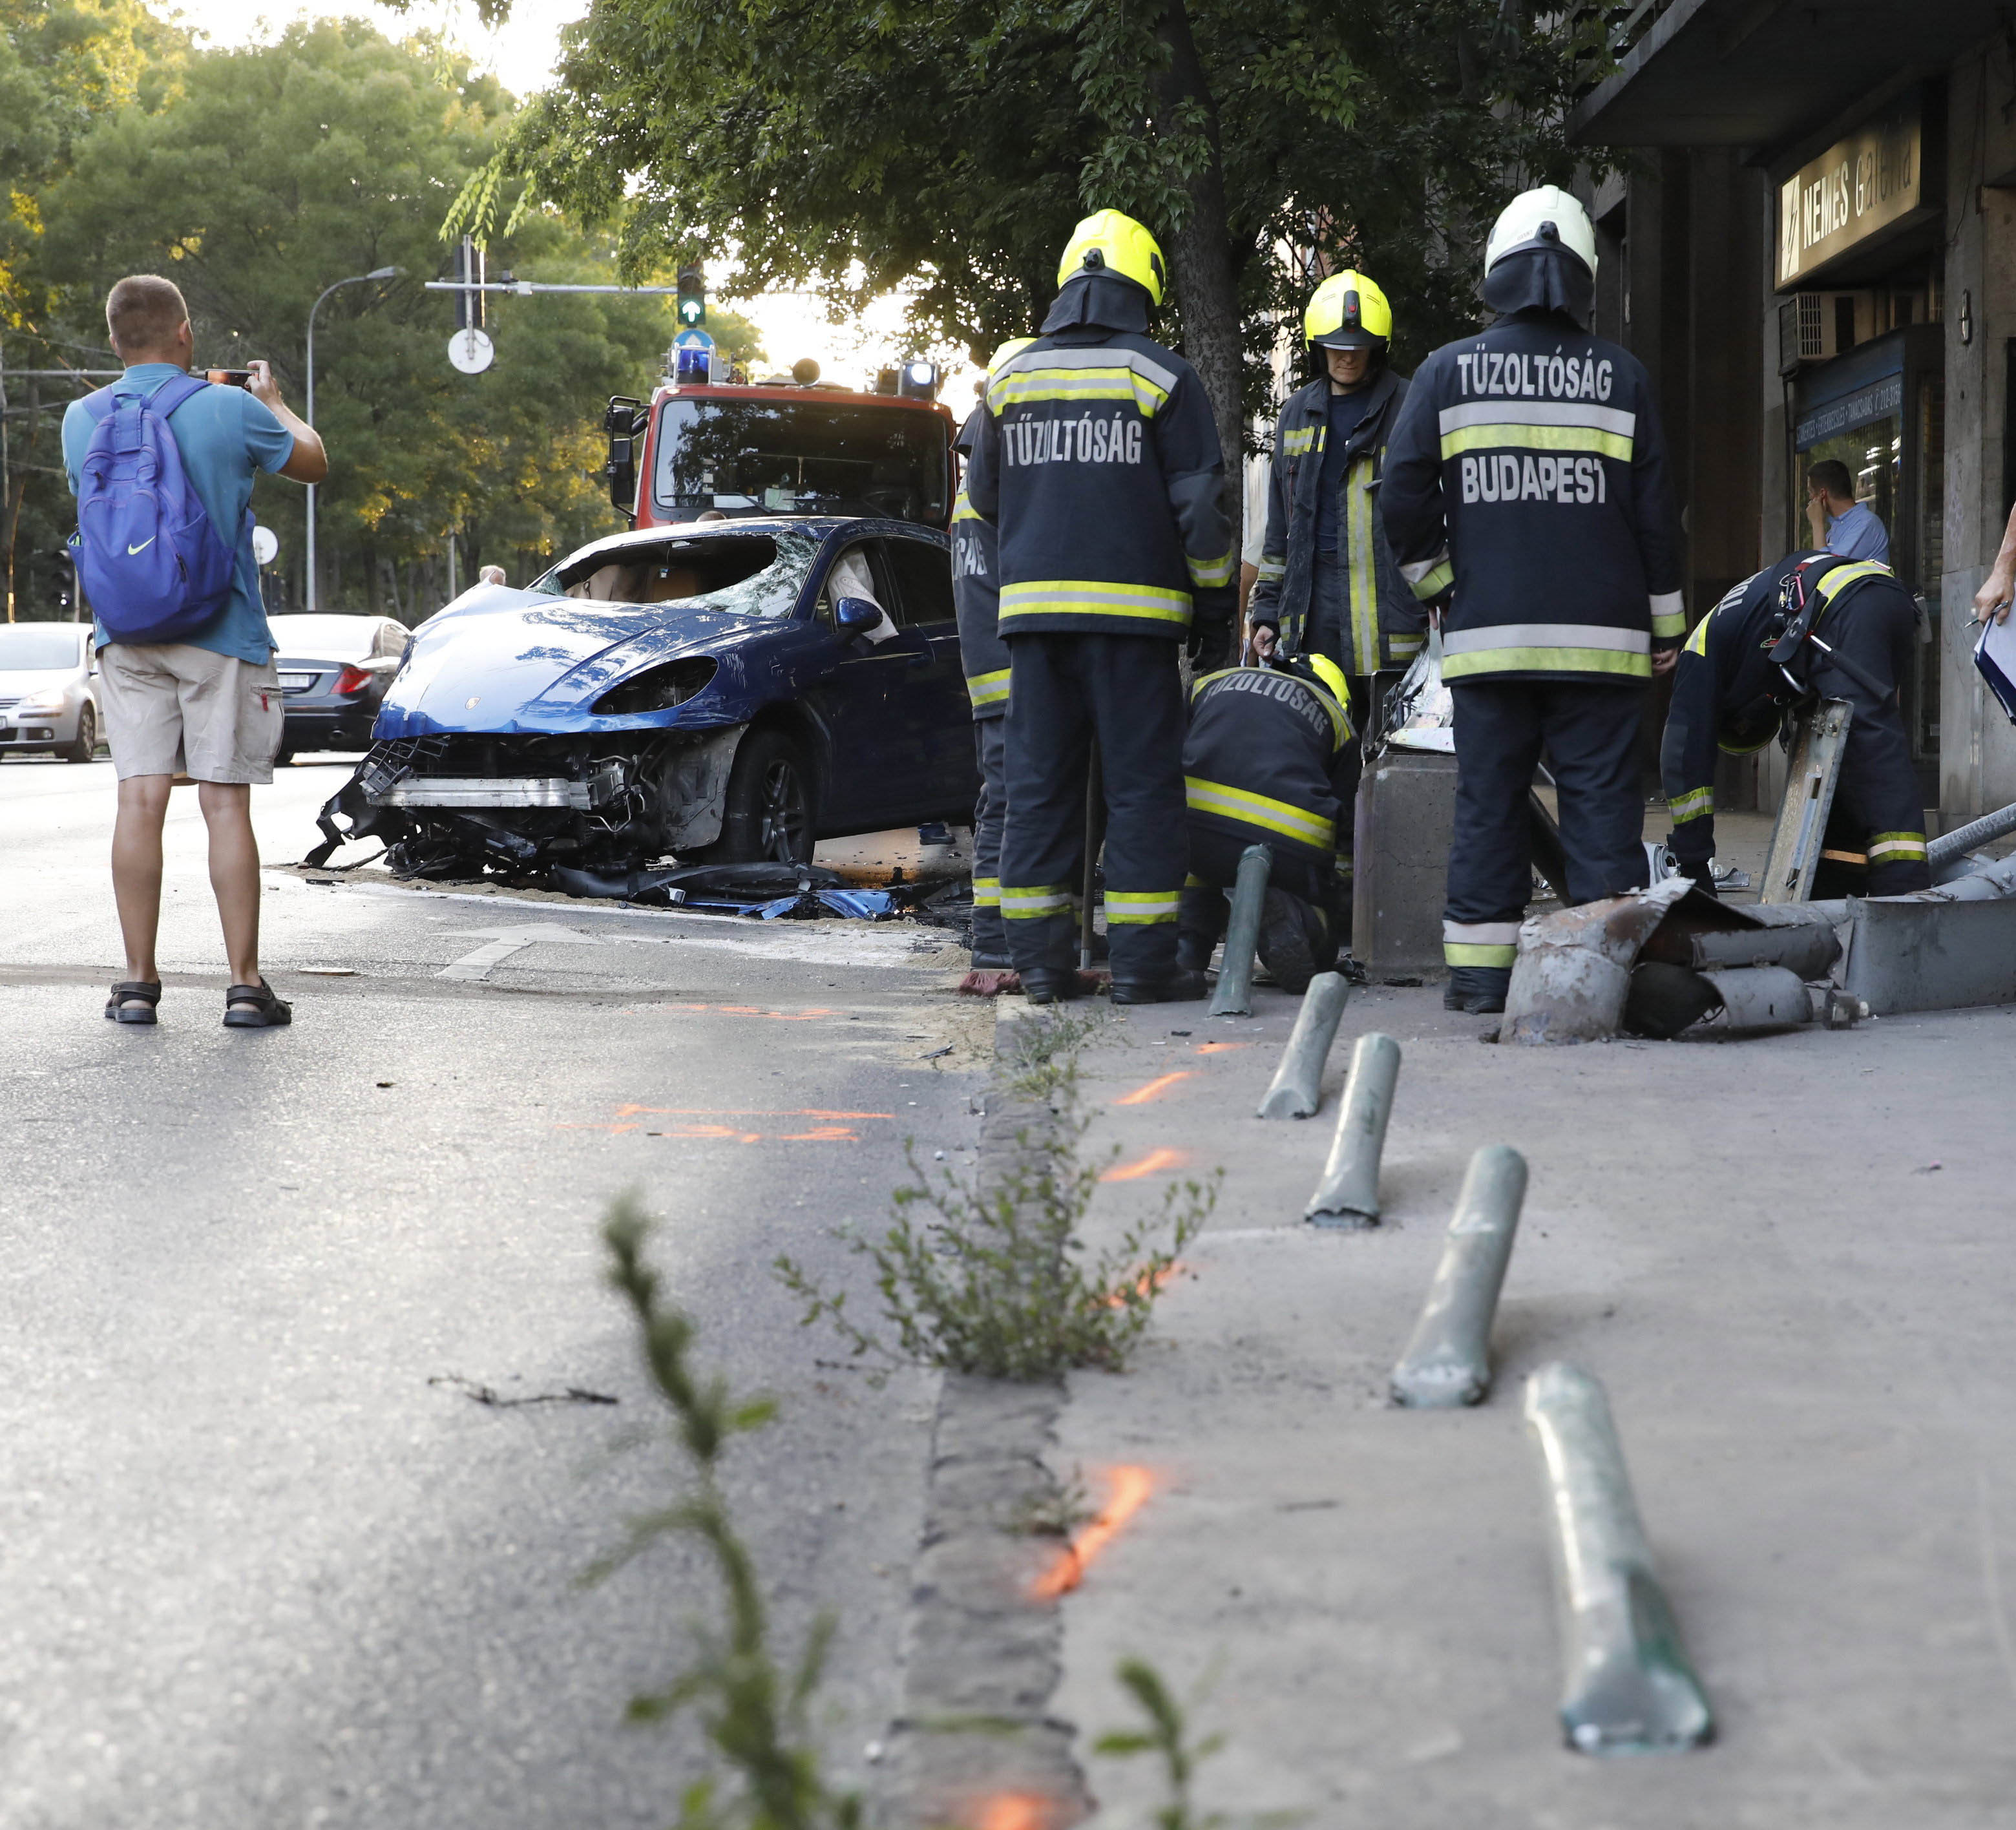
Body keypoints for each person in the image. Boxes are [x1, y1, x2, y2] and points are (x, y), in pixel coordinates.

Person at [1380, 186, 1685, 1014]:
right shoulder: (1624, 378)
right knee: (1600, 811)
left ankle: (1480, 982)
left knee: (1489, 801)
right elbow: (1657, 515)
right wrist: (1667, 627)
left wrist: (1443, 588)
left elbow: (1400, 502)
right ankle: (1596, 987)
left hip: (1491, 643)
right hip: (1603, 646)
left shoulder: (1447, 372)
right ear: (1583, 278)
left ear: (1497, 275)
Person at [966, 209, 1235, 1005]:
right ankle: (1145, 968)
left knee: (1040, 791)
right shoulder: (1161, 378)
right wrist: (1216, 605)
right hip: (1135, 631)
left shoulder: (1011, 381)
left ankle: (1044, 969)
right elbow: (1202, 517)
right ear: (1143, 282)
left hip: (1036, 631)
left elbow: (981, 498)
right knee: (1143, 790)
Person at [63, 273, 326, 1029]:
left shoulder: (81, 419)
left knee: (139, 801)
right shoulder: (230, 408)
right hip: (222, 630)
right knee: (222, 801)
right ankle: (244, 986)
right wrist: (274, 403)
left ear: (115, 341)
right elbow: (313, 462)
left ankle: (137, 984)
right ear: (186, 333)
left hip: (126, 632)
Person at [1663, 551, 1927, 895]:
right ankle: (1833, 889)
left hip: (1843, 607)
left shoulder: (1699, 652)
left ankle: (1904, 893)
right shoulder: (1742, 629)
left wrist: (1693, 863)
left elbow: (1682, 755)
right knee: (1842, 756)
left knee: (1871, 750)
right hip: (1885, 598)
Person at [1247, 270, 1424, 737]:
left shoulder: (1410, 405)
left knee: (1387, 762)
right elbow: (1280, 529)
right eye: (1335, 346)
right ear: (1317, 347)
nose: (1346, 355)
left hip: (1393, 622)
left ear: (1377, 347)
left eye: (1358, 345)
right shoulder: (1296, 413)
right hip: (1311, 619)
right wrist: (1266, 610)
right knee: (1315, 753)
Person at [1177, 652, 1359, 993]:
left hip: (1198, 825)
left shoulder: (1208, 685)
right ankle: (1297, 917)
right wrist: (1337, 897)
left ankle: (1186, 955)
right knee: (1319, 924)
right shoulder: (1337, 718)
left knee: (1196, 870)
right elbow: (1344, 823)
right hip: (1287, 846)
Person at [952, 337, 1034, 973]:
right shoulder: (999, 484)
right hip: (1014, 672)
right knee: (1009, 799)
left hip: (988, 672)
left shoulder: (970, 482)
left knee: (1003, 795)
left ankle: (1000, 933)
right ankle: (995, 937)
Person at [1805, 459, 1889, 565]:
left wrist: (1817, 524)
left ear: (1822, 494)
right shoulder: (1838, 526)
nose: (1810, 498)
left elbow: (1822, 569)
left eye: (1811, 492)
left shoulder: (1865, 524)